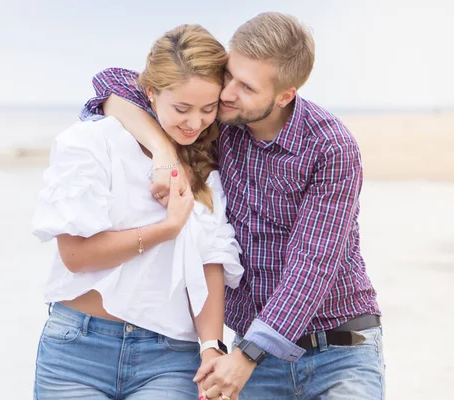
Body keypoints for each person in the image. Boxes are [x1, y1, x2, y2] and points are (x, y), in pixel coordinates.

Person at [81, 12, 385, 400]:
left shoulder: (330, 147)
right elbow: (112, 83)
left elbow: (313, 262)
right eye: (229, 75)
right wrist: (163, 152)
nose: (225, 94)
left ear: (284, 95)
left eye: (246, 86)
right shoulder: (218, 124)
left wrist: (245, 356)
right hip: (253, 357)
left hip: (338, 351)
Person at [31, 24, 244, 399]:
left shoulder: (210, 166)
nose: (195, 123)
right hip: (77, 352)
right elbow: (77, 255)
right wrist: (167, 227)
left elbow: (211, 261)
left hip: (169, 359)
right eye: (182, 108)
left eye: (208, 109)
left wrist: (212, 344)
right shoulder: (93, 142)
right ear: (149, 92)